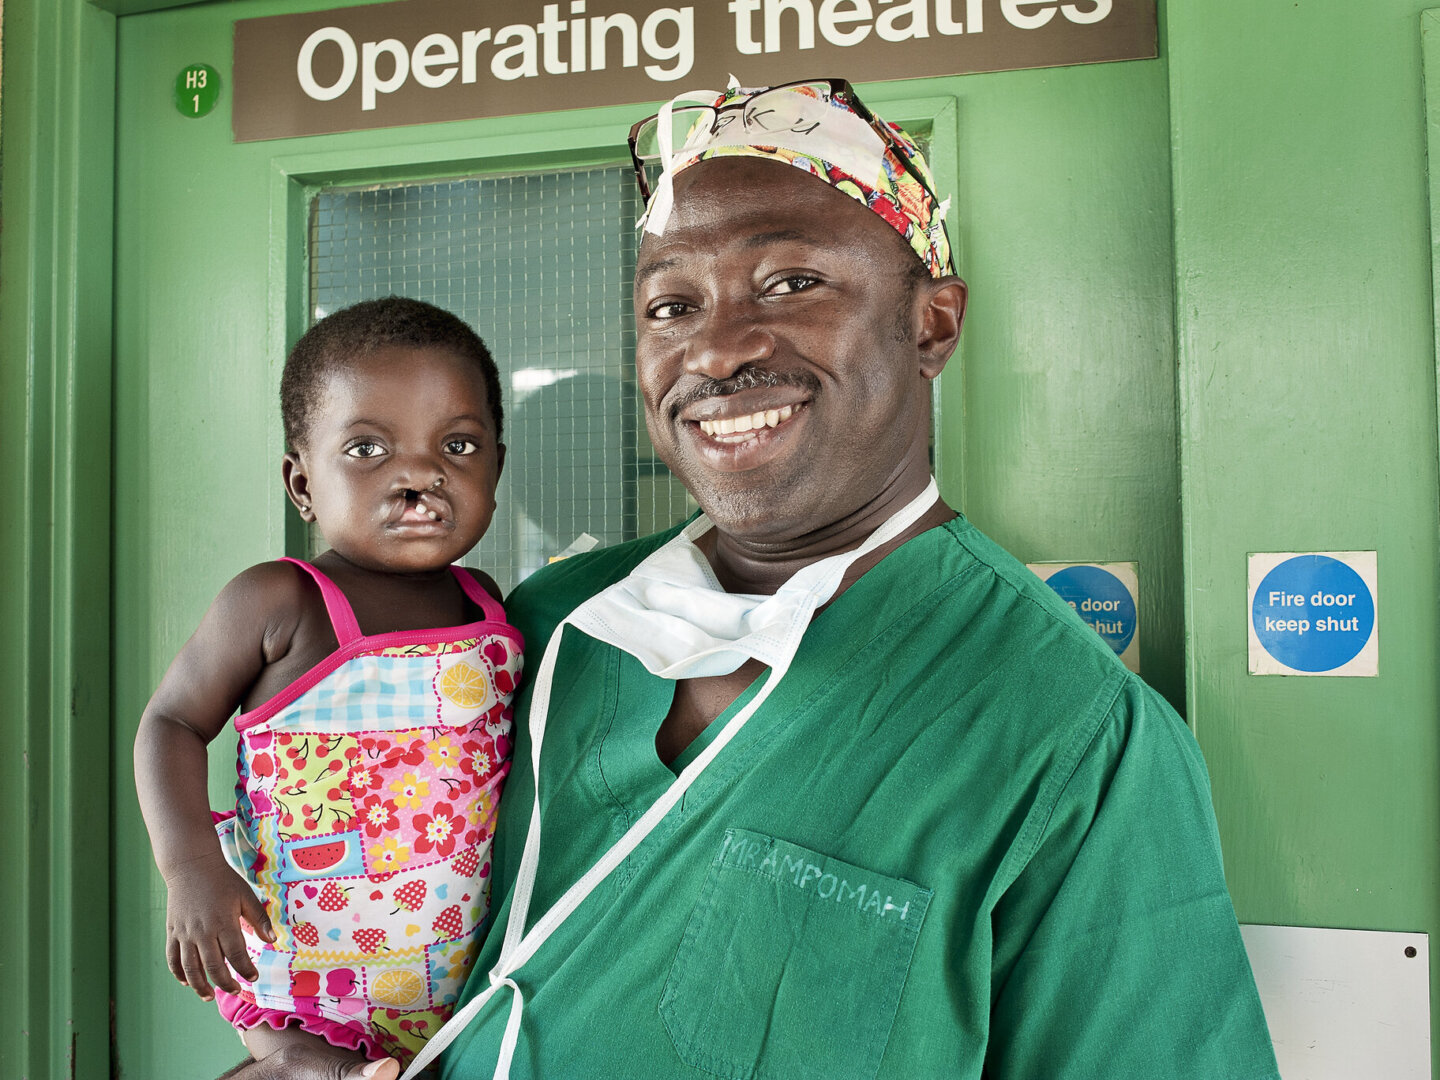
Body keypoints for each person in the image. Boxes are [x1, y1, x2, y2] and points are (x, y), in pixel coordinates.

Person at [229, 79, 1280, 1080]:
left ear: (932, 324)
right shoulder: (541, 631)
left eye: (791, 283)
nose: (719, 352)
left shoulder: (1066, 737)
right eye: (670, 307)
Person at [134, 297, 521, 1080]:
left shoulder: (486, 603)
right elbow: (171, 721)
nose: (420, 472)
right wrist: (189, 866)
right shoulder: (281, 600)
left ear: (496, 468)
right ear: (302, 482)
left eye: (458, 443)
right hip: (305, 956)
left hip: (450, 958)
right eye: (369, 447)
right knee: (297, 1059)